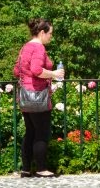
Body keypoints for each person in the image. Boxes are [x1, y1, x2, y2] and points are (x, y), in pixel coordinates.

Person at [13, 18, 64, 178]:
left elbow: (16, 71)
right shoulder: (39, 48)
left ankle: (26, 168)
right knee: (42, 133)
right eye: (50, 34)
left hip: (25, 96)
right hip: (38, 96)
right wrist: (54, 74)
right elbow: (36, 69)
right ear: (42, 33)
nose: (51, 37)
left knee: (30, 133)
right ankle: (42, 169)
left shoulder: (25, 47)